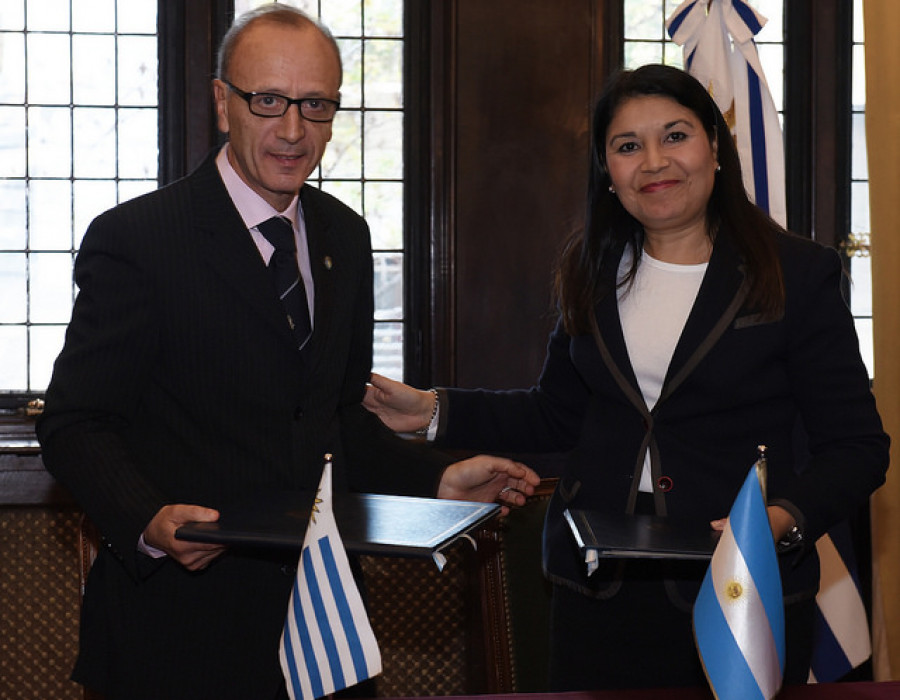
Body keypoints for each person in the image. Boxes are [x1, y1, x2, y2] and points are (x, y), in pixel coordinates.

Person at [36, 5, 538, 700]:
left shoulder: (346, 237)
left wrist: (437, 482)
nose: (294, 129)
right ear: (222, 102)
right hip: (180, 636)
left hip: (323, 630)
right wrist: (148, 518)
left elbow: (333, 422)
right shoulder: (140, 240)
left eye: (316, 105)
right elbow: (73, 424)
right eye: (267, 101)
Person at [364, 63, 890, 691]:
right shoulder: (593, 266)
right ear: (607, 171)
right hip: (597, 585)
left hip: (737, 582)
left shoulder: (798, 273)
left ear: (714, 148)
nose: (654, 162)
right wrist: (432, 411)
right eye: (627, 146)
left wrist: (781, 519)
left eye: (675, 136)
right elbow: (556, 412)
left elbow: (858, 448)